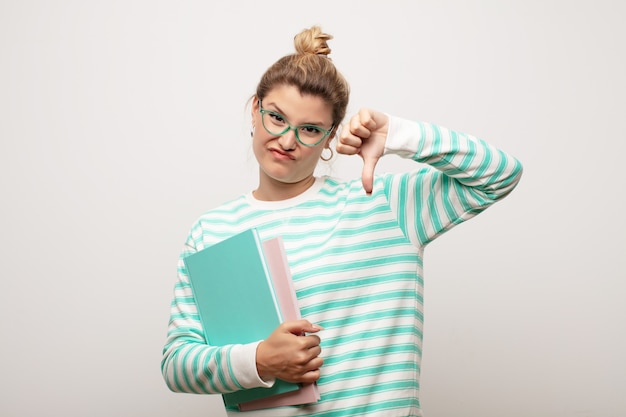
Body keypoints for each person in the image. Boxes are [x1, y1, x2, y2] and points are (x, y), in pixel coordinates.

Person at [161, 25, 523, 417]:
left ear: (330, 137)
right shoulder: (212, 230)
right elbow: (177, 363)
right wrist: (260, 360)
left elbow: (499, 174)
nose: (287, 140)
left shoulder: (382, 205)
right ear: (255, 109)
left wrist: (398, 134)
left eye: (310, 129)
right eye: (277, 118)